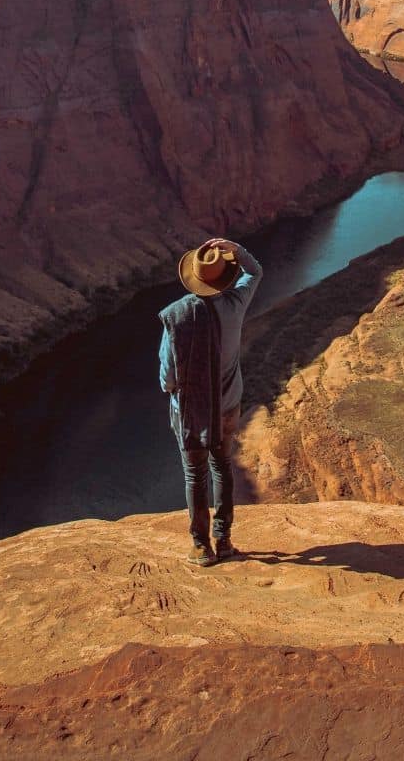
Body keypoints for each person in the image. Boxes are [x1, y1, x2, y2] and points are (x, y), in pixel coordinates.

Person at [158, 237, 262, 566]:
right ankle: (225, 539)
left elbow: (168, 377)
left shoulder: (177, 317)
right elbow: (255, 272)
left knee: (195, 475)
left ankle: (201, 547)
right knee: (222, 466)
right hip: (228, 407)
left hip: (190, 412)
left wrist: (175, 390)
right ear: (223, 278)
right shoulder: (235, 304)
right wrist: (237, 250)